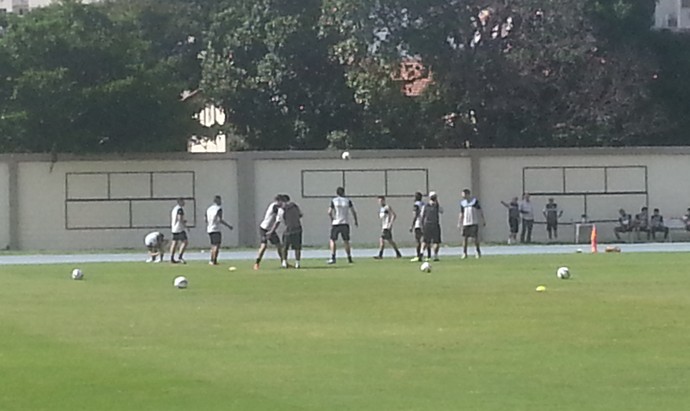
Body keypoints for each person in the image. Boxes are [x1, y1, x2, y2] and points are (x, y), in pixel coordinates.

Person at [327, 187, 358, 264]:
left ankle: (333, 257)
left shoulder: (334, 200)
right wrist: (355, 220)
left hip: (336, 223)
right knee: (346, 241)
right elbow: (353, 211)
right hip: (345, 223)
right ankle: (349, 258)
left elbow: (329, 212)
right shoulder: (347, 201)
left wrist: (332, 219)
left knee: (332, 240)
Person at [254, 195, 286, 270]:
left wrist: (271, 232)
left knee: (279, 246)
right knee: (264, 246)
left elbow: (277, 222)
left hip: (271, 230)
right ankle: (257, 263)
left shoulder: (280, 210)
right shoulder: (274, 207)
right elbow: (276, 219)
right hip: (264, 228)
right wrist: (270, 232)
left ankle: (283, 262)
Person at [205, 195, 233, 265]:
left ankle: (211, 259)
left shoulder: (209, 209)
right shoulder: (218, 209)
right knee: (217, 245)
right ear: (217, 201)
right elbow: (219, 219)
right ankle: (214, 260)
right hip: (216, 229)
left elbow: (205, 219)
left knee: (212, 245)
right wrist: (228, 226)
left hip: (209, 228)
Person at [459, 189, 485, 259]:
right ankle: (464, 253)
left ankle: (477, 252)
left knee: (475, 238)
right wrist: (459, 222)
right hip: (465, 223)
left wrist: (482, 220)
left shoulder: (474, 202)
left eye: (463, 194)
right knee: (465, 239)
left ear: (467, 194)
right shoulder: (462, 203)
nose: (462, 196)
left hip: (473, 222)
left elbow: (480, 211)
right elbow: (461, 213)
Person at [280, 195, 303, 268]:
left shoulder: (282, 209)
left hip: (289, 229)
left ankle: (284, 262)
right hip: (297, 228)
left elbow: (281, 219)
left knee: (285, 247)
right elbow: (300, 215)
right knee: (297, 247)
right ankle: (297, 263)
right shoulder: (295, 206)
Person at [420, 191, 443, 261]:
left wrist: (422, 224)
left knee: (426, 241)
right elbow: (441, 211)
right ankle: (435, 255)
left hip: (429, 224)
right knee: (435, 241)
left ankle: (421, 252)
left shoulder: (427, 206)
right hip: (433, 224)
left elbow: (422, 216)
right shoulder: (434, 206)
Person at [169, 198, 188, 264]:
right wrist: (185, 225)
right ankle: (180, 257)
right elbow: (180, 218)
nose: (184, 203)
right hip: (179, 228)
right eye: (183, 201)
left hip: (174, 228)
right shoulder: (180, 209)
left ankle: (171, 258)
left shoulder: (174, 209)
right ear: (180, 202)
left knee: (174, 243)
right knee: (185, 242)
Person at [409, 192, 425, 262]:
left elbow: (415, 215)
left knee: (418, 241)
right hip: (424, 223)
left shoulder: (416, 205)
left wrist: (412, 225)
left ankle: (418, 256)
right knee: (425, 240)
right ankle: (428, 255)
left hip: (418, 224)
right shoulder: (424, 204)